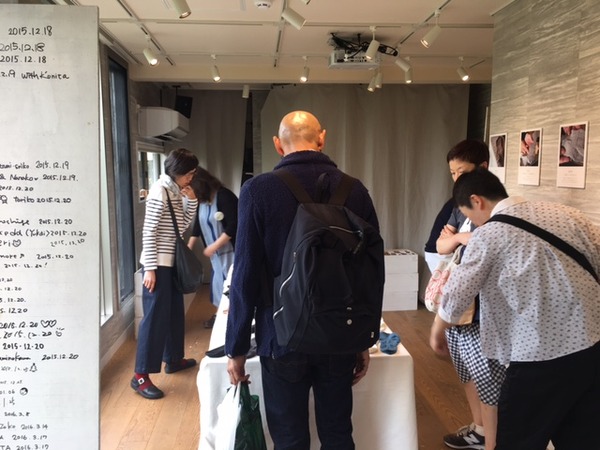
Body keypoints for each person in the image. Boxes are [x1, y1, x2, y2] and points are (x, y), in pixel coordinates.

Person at [225, 110, 381, 449]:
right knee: (338, 433)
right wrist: (363, 338)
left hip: (280, 335)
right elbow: (370, 273)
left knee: (289, 437)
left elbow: (245, 274)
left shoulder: (257, 190)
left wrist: (236, 348)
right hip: (339, 331)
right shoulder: (355, 190)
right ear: (322, 138)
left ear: (277, 145)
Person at [431, 168, 600, 450]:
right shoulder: (568, 214)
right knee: (583, 439)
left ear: (476, 201)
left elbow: (456, 294)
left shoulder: (489, 234)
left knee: (518, 441)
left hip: (537, 357)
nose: (473, 224)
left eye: (469, 215)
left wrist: (437, 333)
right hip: (591, 348)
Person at [434, 140, 505, 450]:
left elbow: (480, 244)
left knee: (488, 383)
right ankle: (479, 430)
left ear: (483, 168)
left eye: (461, 171)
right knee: (466, 373)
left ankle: (491, 440)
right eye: (452, 173)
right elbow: (439, 245)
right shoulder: (458, 204)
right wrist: (462, 237)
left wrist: (459, 238)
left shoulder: (494, 208)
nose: (456, 178)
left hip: (481, 312)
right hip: (459, 308)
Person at [131, 148, 199, 400]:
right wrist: (149, 268)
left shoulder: (173, 190)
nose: (191, 177)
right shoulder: (160, 192)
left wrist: (192, 201)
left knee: (173, 313)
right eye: (189, 173)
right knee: (155, 319)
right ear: (178, 171)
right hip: (157, 266)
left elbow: (180, 227)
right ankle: (140, 376)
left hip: (170, 264)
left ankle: (173, 359)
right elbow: (148, 231)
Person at [188, 167, 238, 328]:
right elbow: (198, 224)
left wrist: (214, 245)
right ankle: (221, 314)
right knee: (218, 283)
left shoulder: (224, 196)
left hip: (231, 251)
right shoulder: (202, 201)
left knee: (232, 283)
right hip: (216, 255)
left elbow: (234, 225)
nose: (186, 192)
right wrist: (189, 246)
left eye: (188, 189)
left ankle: (233, 316)